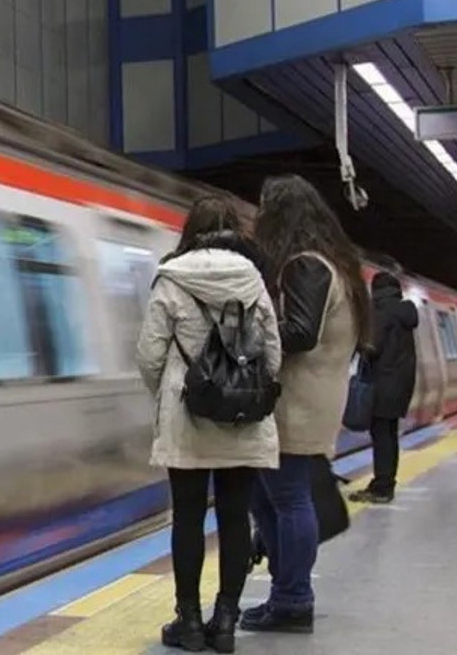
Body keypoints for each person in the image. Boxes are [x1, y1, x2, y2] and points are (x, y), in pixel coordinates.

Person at [137, 195, 281, 653]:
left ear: (190, 231)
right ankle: (226, 622)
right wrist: (243, 390)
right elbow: (274, 356)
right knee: (235, 517)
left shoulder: (172, 279)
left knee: (188, 518)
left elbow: (150, 355)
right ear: (235, 231)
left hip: (187, 418)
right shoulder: (253, 280)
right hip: (242, 420)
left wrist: (172, 392)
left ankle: (190, 623)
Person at [244, 175, 372, 634]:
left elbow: (300, 333)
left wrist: (248, 336)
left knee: (287, 499)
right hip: (310, 398)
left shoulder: (306, 266)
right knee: (268, 498)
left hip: (296, 402)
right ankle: (286, 593)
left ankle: (294, 599)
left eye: (264, 209)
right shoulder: (336, 265)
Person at [349, 271, 418, 504]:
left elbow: (372, 346)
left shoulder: (382, 311)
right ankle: (386, 482)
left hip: (382, 383)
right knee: (389, 435)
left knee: (381, 437)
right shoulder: (404, 312)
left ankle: (382, 488)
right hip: (400, 384)